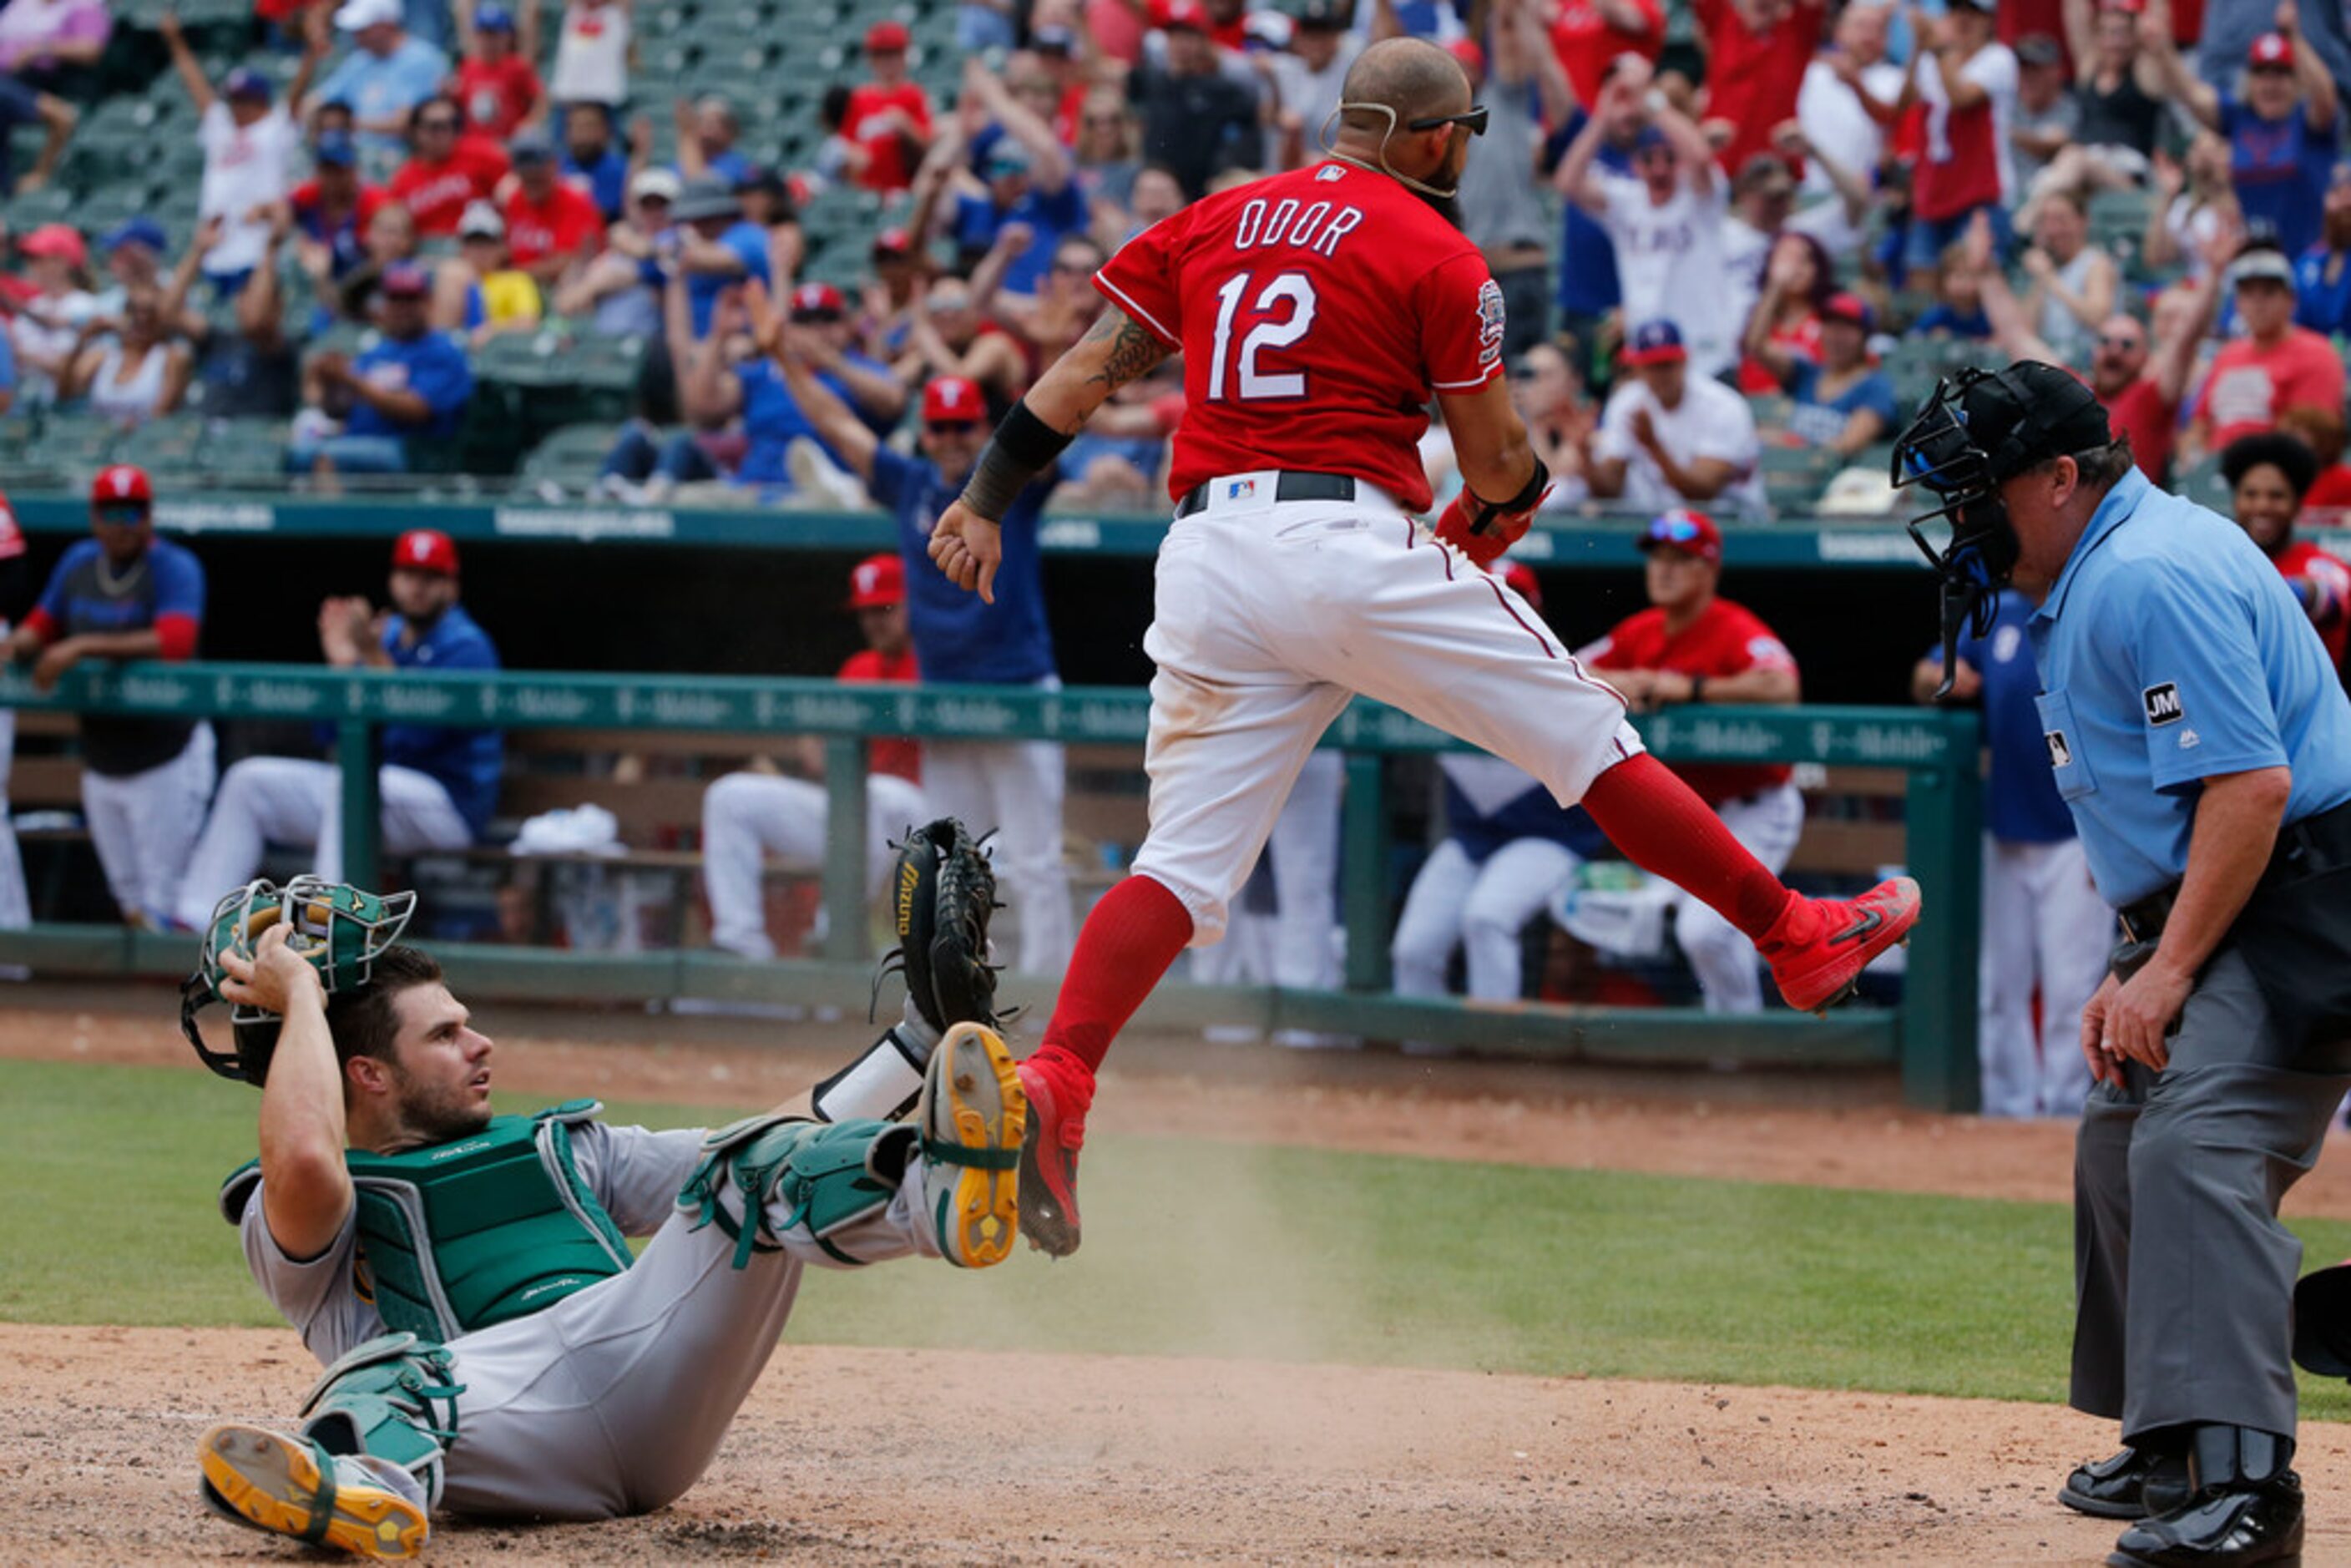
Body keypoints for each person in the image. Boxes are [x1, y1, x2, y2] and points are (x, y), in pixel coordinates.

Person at [923, 38, 1920, 1257]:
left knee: (1180, 865)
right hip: (1345, 536)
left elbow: (1084, 372)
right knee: (1587, 734)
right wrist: (1502, 507)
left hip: (1205, 555)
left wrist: (983, 498)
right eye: (1463, 136)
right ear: (1434, 137)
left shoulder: (1221, 214)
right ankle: (1793, 935)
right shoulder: (1441, 248)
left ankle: (1063, 1081)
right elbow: (1499, 466)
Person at [185, 873, 1026, 1557]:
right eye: (445, 1035)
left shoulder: (565, 1147)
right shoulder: (300, 1214)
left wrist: (918, 1041)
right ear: (366, 1076)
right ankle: (363, 1495)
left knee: (747, 1163)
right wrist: (300, 996)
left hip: (649, 1363)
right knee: (386, 1378)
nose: (481, 1046)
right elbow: (301, 1154)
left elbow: (779, 1134)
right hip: (498, 1419)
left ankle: (932, 1191)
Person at [1891, 359, 2351, 1566]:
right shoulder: (2095, 568)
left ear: (2057, 477)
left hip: (2305, 892)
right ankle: (2175, 1439)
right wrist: (2133, 963)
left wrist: (2169, 964)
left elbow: (2252, 789)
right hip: (2232, 887)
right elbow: (2168, 816)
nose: (1963, 516)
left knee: (2198, 1141)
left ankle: (2249, 1486)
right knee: (2118, 1128)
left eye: (1977, 488)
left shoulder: (2150, 570)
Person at [770, 326, 1076, 977]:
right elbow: (837, 425)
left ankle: (1049, 989)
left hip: (1018, 688)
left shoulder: (1009, 480)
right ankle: (962, 987)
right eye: (938, 427)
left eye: (964, 426)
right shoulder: (911, 483)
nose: (951, 440)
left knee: (1032, 858)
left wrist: (1049, 353)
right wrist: (785, 361)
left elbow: (1054, 426)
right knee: (950, 862)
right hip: (947, 701)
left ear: (982, 428)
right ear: (926, 432)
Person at [174, 532, 501, 928]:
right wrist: (345, 666)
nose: (418, 586)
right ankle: (193, 924)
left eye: (431, 576)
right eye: (410, 574)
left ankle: (325, 931)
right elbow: (332, 736)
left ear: (451, 586)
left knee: (352, 786)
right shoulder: (390, 635)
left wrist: (373, 656)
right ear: (394, 580)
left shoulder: (467, 646)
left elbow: (415, 738)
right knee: (249, 781)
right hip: (377, 791)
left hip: (447, 805)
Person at [1574, 510, 1803, 1013]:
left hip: (1754, 806)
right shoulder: (1641, 630)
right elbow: (1569, 666)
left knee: (1707, 931)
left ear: (1709, 571)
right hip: (1689, 811)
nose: (1664, 570)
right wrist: (1624, 678)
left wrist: (1694, 688)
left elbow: (1781, 684)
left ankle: (1739, 1050)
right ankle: (1724, 1046)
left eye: (1681, 559)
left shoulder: (1733, 627)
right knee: (1676, 927)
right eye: (1657, 558)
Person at [1911, 589, 2109, 1119]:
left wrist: (2112, 843)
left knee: (2073, 989)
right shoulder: (1994, 611)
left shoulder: (2093, 601)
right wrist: (1942, 679)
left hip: (2079, 834)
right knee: (1999, 986)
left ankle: (2069, 1113)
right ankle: (2009, 1108)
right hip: (2005, 828)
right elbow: (1927, 672)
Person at [1, 466, 210, 929]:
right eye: (112, 512)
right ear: (95, 517)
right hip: (103, 759)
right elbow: (41, 624)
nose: (122, 523)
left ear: (149, 516)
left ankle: (181, 993)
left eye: (133, 511)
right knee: (130, 899)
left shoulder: (174, 566)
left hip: (168, 755)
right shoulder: (78, 563)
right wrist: (21, 644)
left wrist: (82, 645)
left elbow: (175, 642)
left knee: (167, 902)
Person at [704, 554, 929, 959]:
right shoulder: (857, 667)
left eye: (886, 608)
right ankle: (740, 942)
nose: (874, 621)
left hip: (918, 820)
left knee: (874, 792)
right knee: (729, 796)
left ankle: (833, 933)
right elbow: (819, 753)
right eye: (866, 612)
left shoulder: (936, 664)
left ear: (916, 605)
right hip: (853, 821)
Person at [1389, 561, 1592, 1003]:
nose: (1498, 608)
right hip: (1473, 839)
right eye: (1488, 597)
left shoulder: (1564, 670)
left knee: (1486, 918)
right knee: (1414, 949)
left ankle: (1494, 1059)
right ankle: (1424, 1062)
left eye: (1510, 598)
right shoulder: (1442, 669)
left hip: (1550, 837)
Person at [1555, 63, 1735, 379]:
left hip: (1704, 353)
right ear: (1636, 165)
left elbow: (1701, 157)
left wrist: (1650, 100)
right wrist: (1603, 116)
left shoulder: (1699, 198)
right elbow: (1568, 182)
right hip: (1649, 354)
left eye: (1668, 158)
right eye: (1650, 159)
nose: (1660, 168)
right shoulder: (1628, 202)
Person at [2142, 8, 2339, 259]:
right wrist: (2162, 50)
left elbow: (2325, 96)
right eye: (2261, 73)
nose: (2270, 84)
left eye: (2281, 73)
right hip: (2254, 264)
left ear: (2295, 81)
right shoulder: (2240, 118)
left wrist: (2294, 38)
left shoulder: (2307, 122)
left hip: (2307, 258)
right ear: (2250, 80)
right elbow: (2190, 93)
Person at [160, 13, 321, 297]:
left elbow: (298, 88)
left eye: (242, 99)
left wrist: (312, 51)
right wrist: (175, 41)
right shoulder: (220, 125)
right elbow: (194, 81)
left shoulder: (275, 127)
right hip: (216, 245)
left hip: (257, 244)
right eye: (232, 99)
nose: (236, 106)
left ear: (259, 100)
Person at [291, 262, 476, 476]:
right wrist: (326, 378)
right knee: (296, 450)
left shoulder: (444, 351)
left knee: (325, 456)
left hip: (414, 451)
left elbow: (416, 410)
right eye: (395, 299)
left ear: (428, 303)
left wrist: (352, 379)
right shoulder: (378, 351)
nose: (402, 308)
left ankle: (331, 510)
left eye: (411, 299)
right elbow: (339, 410)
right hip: (359, 442)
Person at [1588, 320, 1767, 517]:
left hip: (1732, 523)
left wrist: (1654, 447)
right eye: (1651, 365)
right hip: (1658, 523)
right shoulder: (1627, 402)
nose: (1660, 374)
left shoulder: (1724, 405)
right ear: (1636, 367)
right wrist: (1583, 454)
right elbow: (1608, 492)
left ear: (1685, 361)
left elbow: (1703, 492)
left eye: (1667, 364)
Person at [2187, 247, 2346, 457]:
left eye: (2269, 292)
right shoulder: (2228, 356)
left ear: (2291, 300)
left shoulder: (2317, 353)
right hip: (2216, 471)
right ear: (2237, 303)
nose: (2258, 303)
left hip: (2277, 474)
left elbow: (2311, 437)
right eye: (2248, 293)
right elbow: (2200, 424)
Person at [1902, 0, 2020, 275]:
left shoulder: (1998, 58)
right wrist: (1918, 50)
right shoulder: (1936, 61)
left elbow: (1961, 98)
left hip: (1982, 193)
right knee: (1922, 282)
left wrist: (1939, 50)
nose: (1964, 20)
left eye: (1973, 12)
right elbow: (1902, 105)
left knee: (1973, 280)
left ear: (1989, 20)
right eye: (1957, 11)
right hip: (1935, 191)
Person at [2220, 430, 2349, 667]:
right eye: (2251, 494)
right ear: (2236, 501)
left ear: (2298, 505)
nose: (2262, 505)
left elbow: (2326, 595)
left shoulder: (2320, 563)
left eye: (2277, 496)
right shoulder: (2220, 562)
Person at [313, 0, 453, 178]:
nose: (357, 36)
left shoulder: (423, 60)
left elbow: (405, 123)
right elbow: (320, 99)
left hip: (401, 161)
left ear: (386, 25)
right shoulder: (360, 60)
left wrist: (347, 124)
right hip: (353, 159)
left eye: (364, 29)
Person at [58, 281, 195, 427]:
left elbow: (161, 413)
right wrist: (84, 339)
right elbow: (66, 391)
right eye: (133, 311)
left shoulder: (172, 357)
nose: (141, 319)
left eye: (149, 313)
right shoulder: (103, 356)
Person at [387, 92, 511, 238]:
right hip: (427, 251)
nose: (444, 133)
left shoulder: (481, 153)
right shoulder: (404, 178)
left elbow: (514, 192)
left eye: (452, 124)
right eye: (435, 127)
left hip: (478, 245)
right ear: (416, 131)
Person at [840, 18, 933, 193]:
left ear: (904, 57)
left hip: (905, 189)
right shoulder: (859, 98)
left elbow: (929, 146)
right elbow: (847, 146)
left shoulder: (913, 95)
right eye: (880, 54)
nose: (887, 61)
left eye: (893, 53)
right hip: (868, 190)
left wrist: (907, 127)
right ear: (871, 59)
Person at [500, 128, 603, 284]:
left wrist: (512, 274)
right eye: (525, 174)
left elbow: (565, 263)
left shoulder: (575, 202)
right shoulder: (515, 200)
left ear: (553, 166)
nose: (531, 178)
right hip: (522, 286)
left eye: (537, 175)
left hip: (564, 289)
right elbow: (505, 252)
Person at [451, 1, 540, 140]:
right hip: (475, 143)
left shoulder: (517, 66)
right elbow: (459, 100)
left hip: (507, 141)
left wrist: (529, 123)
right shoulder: (467, 67)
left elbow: (540, 99)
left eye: (495, 35)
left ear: (508, 36)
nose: (489, 41)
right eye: (484, 34)